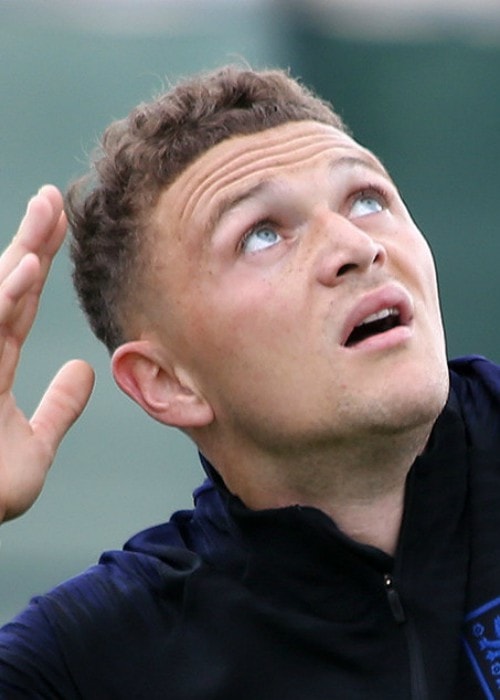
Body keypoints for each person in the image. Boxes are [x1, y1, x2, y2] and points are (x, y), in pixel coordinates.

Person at [0, 65, 498, 699]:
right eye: (263, 235)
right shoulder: (100, 654)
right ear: (166, 383)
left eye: (367, 199)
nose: (355, 245)